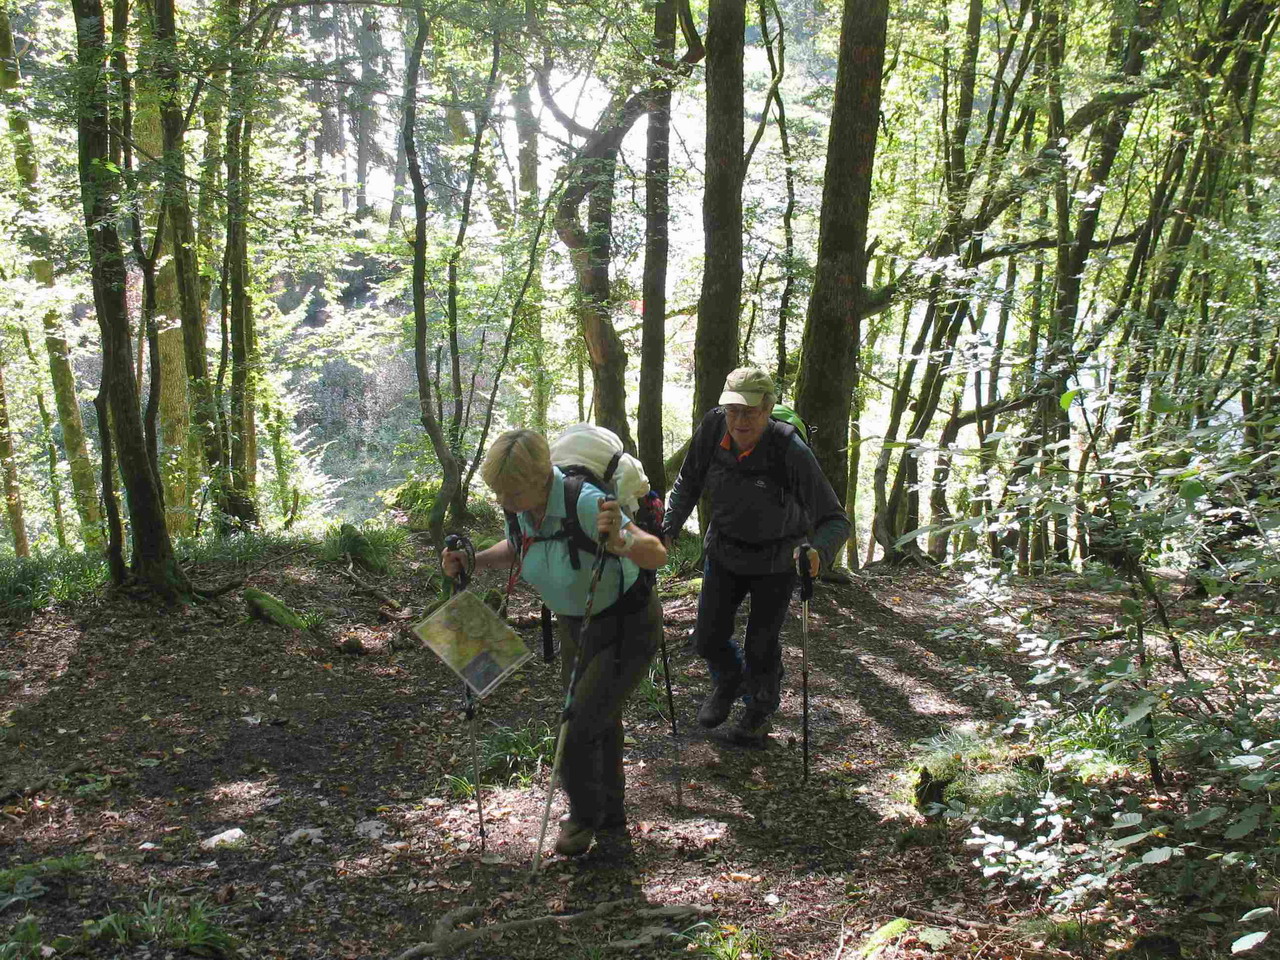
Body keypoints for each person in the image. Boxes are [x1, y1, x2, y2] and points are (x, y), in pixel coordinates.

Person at [441, 429, 667, 857]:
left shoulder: (583, 502)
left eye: (514, 492)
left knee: (578, 726)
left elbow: (656, 553)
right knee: (600, 718)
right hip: (575, 625)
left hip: (628, 623)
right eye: (500, 494)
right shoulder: (522, 508)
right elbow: (521, 545)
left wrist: (621, 542)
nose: (506, 502)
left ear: (543, 477)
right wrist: (475, 560)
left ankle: (582, 819)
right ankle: (611, 819)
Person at [663, 367, 850, 743]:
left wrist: (818, 553)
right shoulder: (713, 429)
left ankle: (759, 710)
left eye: (749, 411)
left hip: (778, 559)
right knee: (707, 637)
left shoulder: (789, 449)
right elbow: (687, 482)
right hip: (725, 548)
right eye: (733, 410)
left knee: (761, 644)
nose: (739, 420)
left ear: (768, 408)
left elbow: (835, 520)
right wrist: (666, 530)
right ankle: (729, 681)